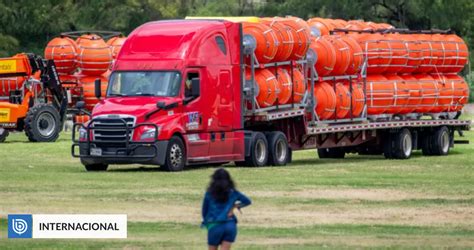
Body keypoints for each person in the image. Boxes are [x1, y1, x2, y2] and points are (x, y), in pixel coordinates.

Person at [201, 168, 251, 250]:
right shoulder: (233, 192)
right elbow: (247, 201)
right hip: (230, 225)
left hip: (215, 224)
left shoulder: (209, 193)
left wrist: (206, 222)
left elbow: (204, 211)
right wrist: (235, 206)